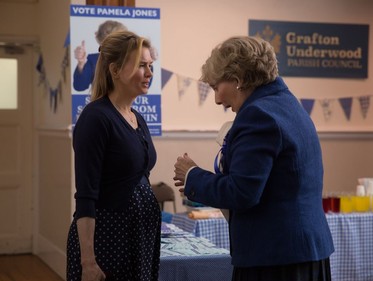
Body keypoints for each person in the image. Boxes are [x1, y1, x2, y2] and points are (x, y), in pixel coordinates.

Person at [173, 36, 334, 281]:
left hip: (276, 258)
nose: (217, 99)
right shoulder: (289, 105)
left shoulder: (258, 115)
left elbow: (242, 192)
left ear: (237, 80)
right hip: (303, 252)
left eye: (217, 87)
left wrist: (192, 175)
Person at [67, 30, 160, 281]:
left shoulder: (137, 118)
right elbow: (86, 196)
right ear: (115, 70)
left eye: (150, 65)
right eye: (142, 66)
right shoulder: (96, 118)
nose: (150, 73)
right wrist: (88, 261)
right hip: (109, 241)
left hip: (139, 239)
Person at [73, 20, 127, 92]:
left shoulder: (131, 59)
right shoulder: (93, 60)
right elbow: (79, 86)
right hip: (99, 102)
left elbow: (144, 84)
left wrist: (143, 63)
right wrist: (81, 63)